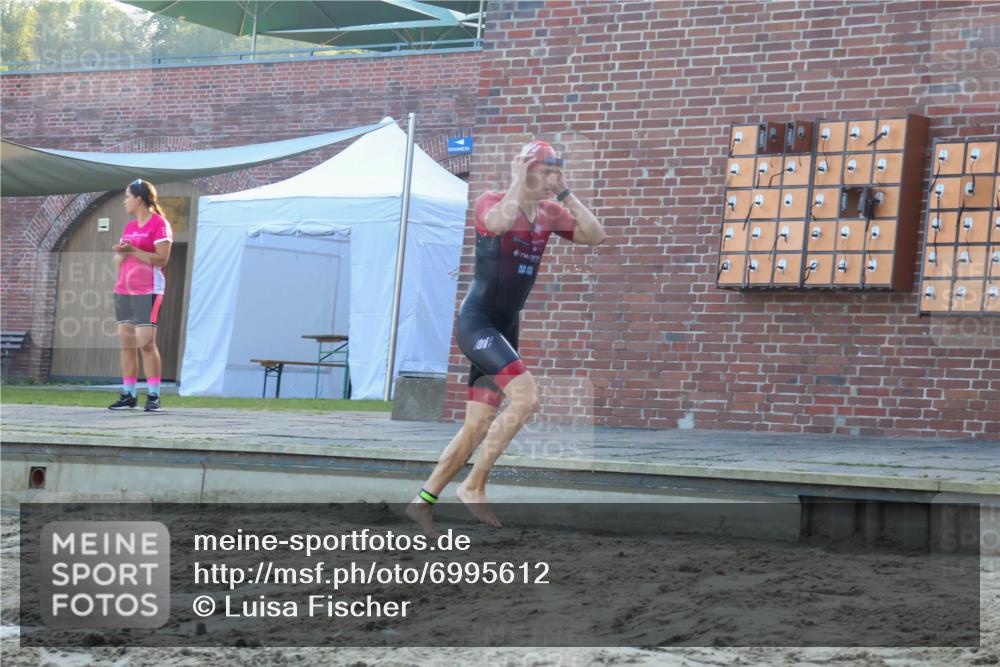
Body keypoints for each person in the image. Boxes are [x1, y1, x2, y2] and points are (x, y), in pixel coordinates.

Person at [407, 140, 606, 535]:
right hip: (477, 324)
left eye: (556, 170)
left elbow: (595, 235)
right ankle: (474, 485)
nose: (552, 177)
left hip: (504, 327)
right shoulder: (492, 199)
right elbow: (497, 223)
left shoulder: (550, 212)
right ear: (527, 169)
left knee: (476, 426)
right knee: (527, 398)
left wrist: (564, 191)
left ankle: (422, 502)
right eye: (547, 170)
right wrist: (518, 182)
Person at [108, 178, 173, 412]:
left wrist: (133, 250)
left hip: (148, 289)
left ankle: (153, 395)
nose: (124, 201)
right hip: (124, 289)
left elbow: (162, 259)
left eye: (127, 196)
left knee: (145, 342)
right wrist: (121, 253)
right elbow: (117, 261)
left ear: (139, 199)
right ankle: (129, 395)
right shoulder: (129, 227)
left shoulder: (160, 224)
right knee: (127, 342)